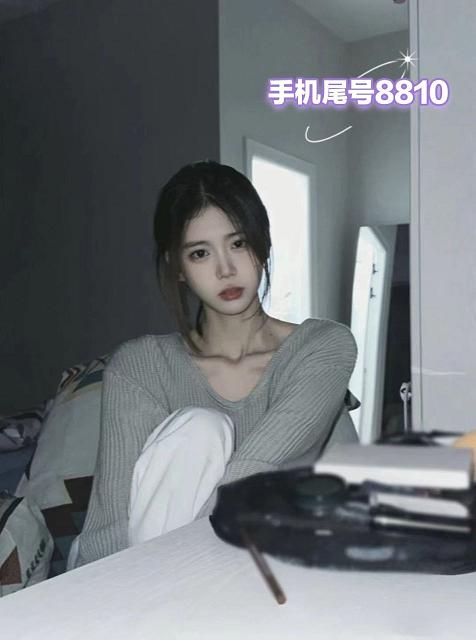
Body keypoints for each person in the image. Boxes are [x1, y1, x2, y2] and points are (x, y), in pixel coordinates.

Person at [70, 160, 358, 569]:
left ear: (263, 244)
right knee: (200, 428)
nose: (225, 269)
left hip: (279, 565)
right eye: (201, 253)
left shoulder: (322, 347)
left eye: (238, 244)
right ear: (177, 267)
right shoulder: (141, 366)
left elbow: (256, 474)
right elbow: (112, 520)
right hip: (146, 574)